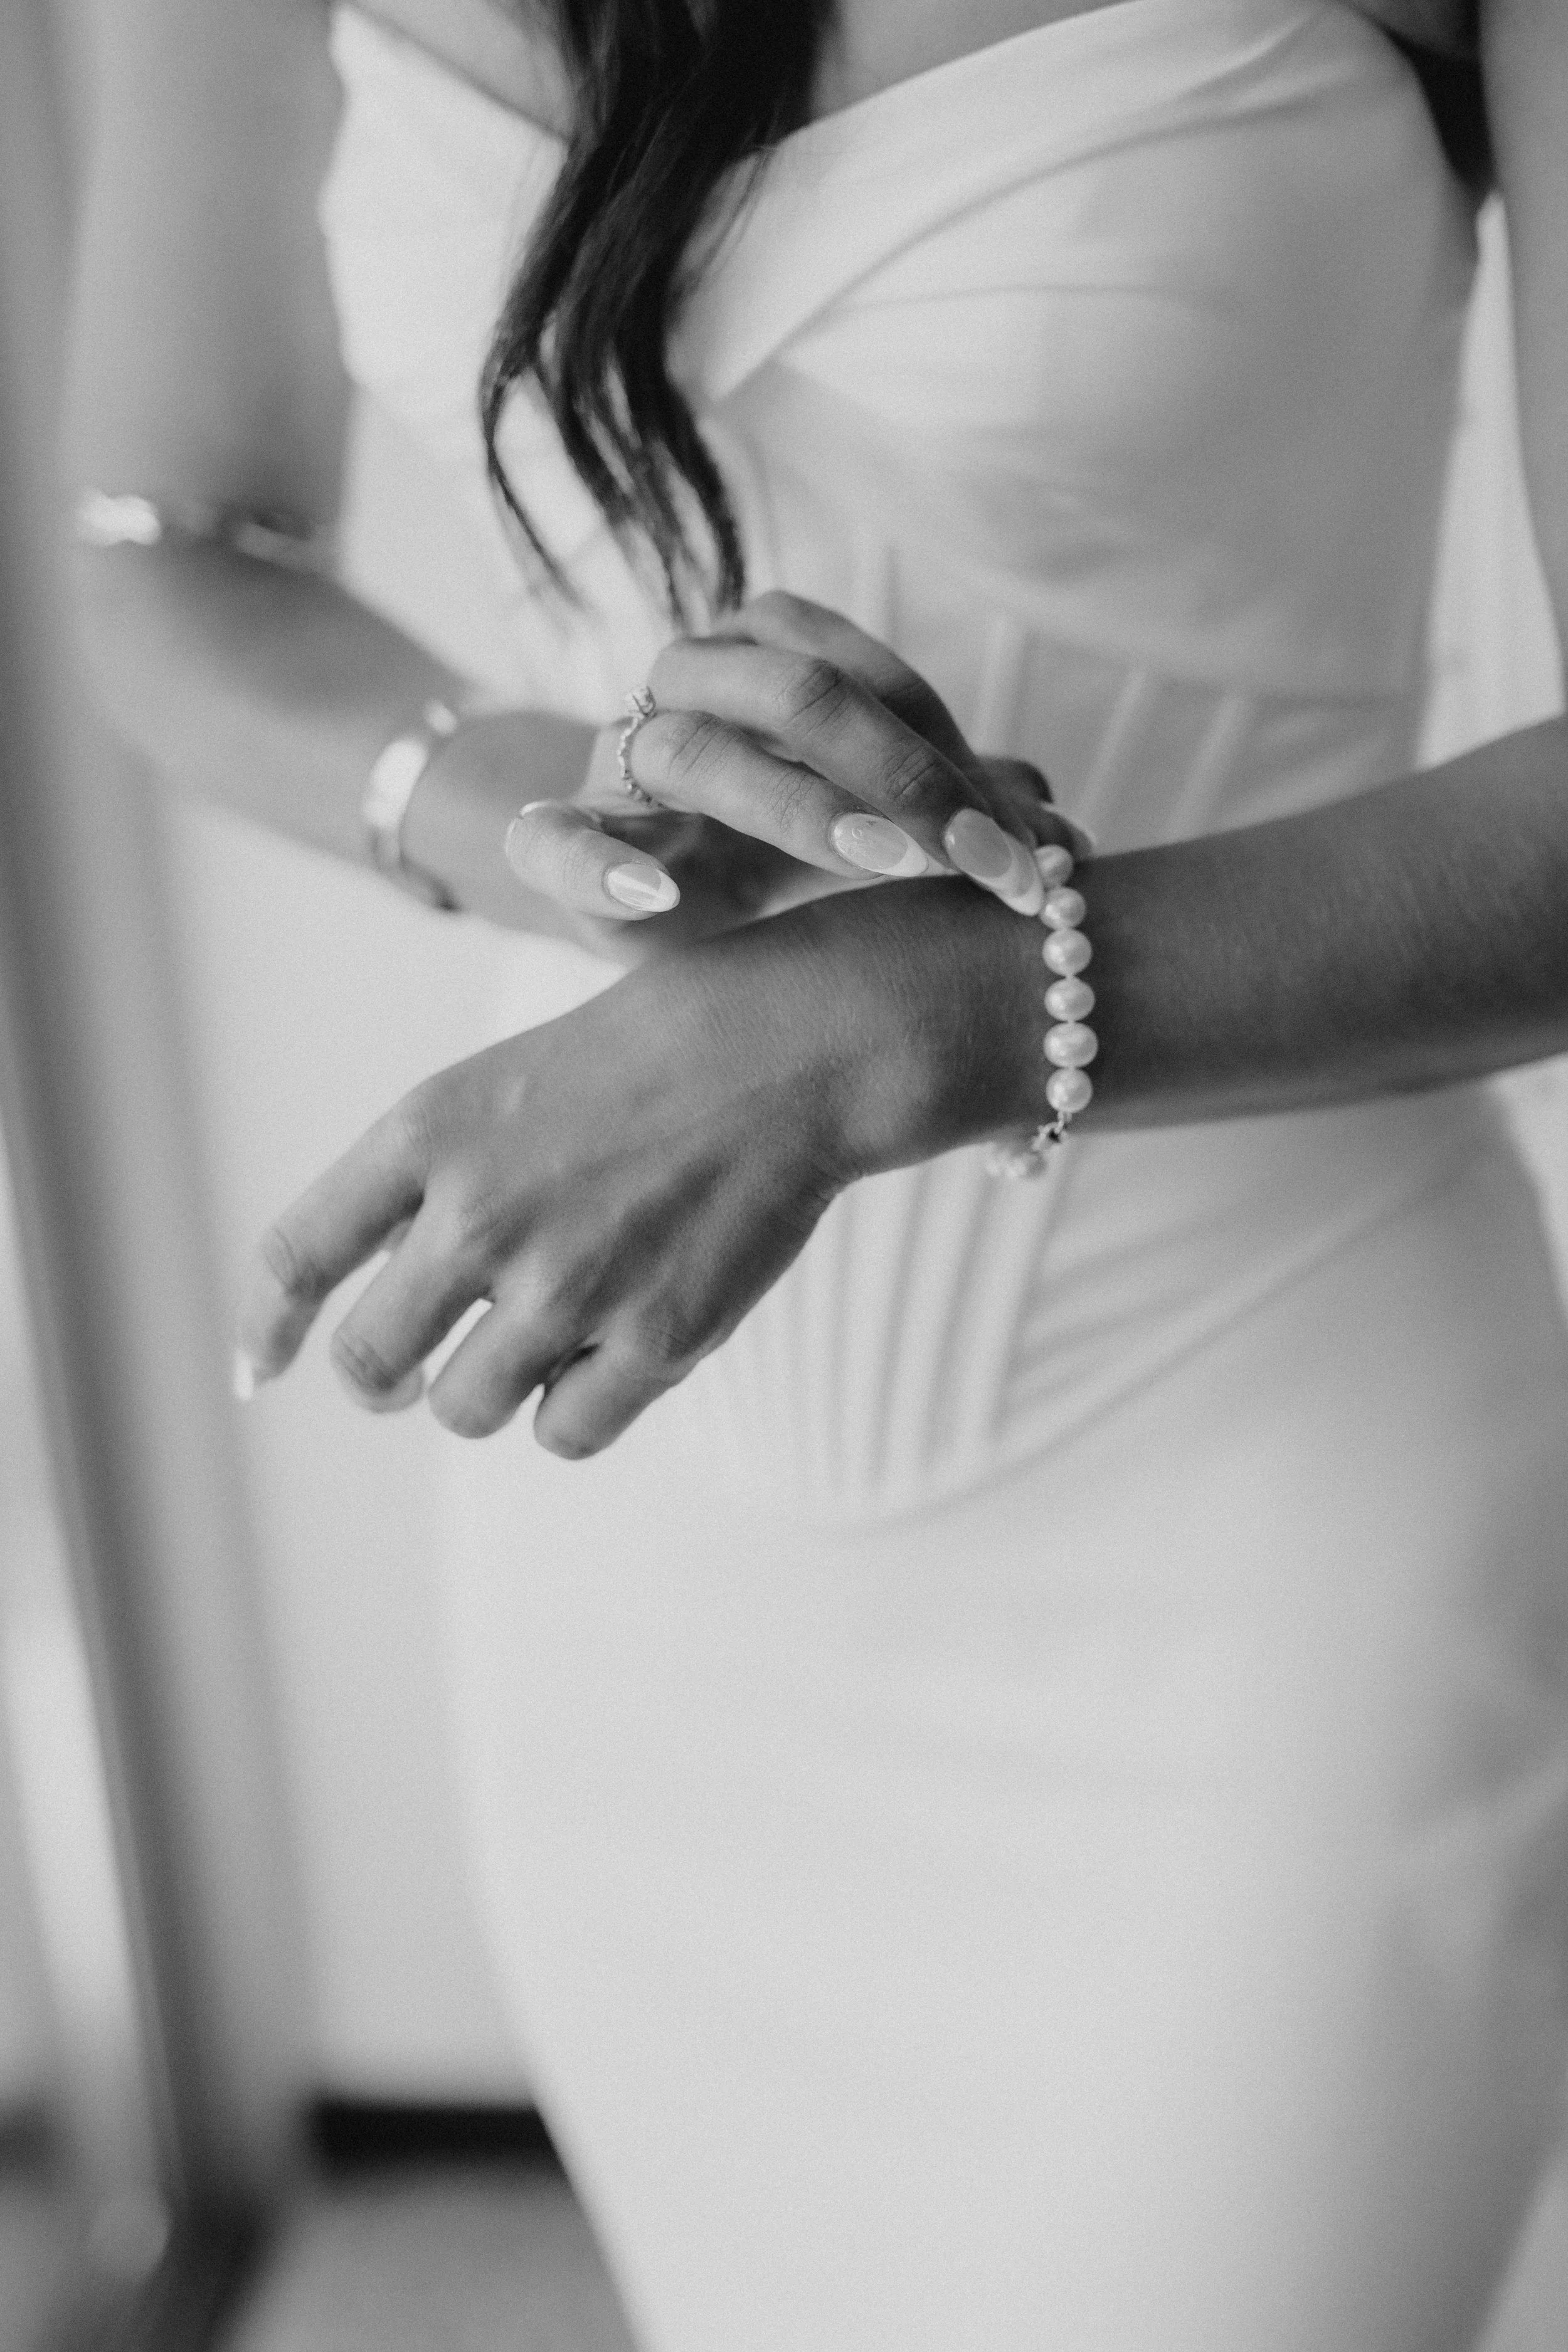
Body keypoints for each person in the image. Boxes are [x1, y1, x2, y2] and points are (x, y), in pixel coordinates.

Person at [70, 0, 1568, 2344]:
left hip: (1254, 1478)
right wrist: (573, 820)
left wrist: (918, 1013)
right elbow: (163, 554)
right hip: (635, 1497)